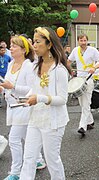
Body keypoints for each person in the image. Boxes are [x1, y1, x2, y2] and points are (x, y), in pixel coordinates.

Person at [19, 27, 71, 179]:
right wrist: (23, 98)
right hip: (35, 119)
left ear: (49, 45)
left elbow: (62, 99)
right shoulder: (35, 66)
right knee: (28, 158)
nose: (34, 45)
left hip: (53, 122)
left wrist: (39, 98)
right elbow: (33, 90)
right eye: (33, 41)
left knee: (52, 160)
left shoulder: (59, 69)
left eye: (37, 42)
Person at [0, 35, 46, 180]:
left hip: (23, 106)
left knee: (14, 138)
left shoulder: (29, 65)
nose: (10, 48)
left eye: (13, 46)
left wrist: (12, 86)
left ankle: (16, 172)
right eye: (10, 45)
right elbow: (7, 83)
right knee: (27, 136)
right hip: (12, 106)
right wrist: (3, 89)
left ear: (23, 49)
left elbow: (32, 90)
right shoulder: (11, 63)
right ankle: (39, 160)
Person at [68, 34, 99, 136]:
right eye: (81, 40)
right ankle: (90, 121)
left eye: (85, 40)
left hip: (89, 80)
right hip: (79, 80)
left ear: (87, 41)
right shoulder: (75, 50)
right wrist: (69, 70)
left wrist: (95, 67)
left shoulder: (92, 50)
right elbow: (68, 61)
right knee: (82, 103)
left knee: (86, 103)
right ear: (78, 41)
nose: (83, 42)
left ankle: (82, 126)